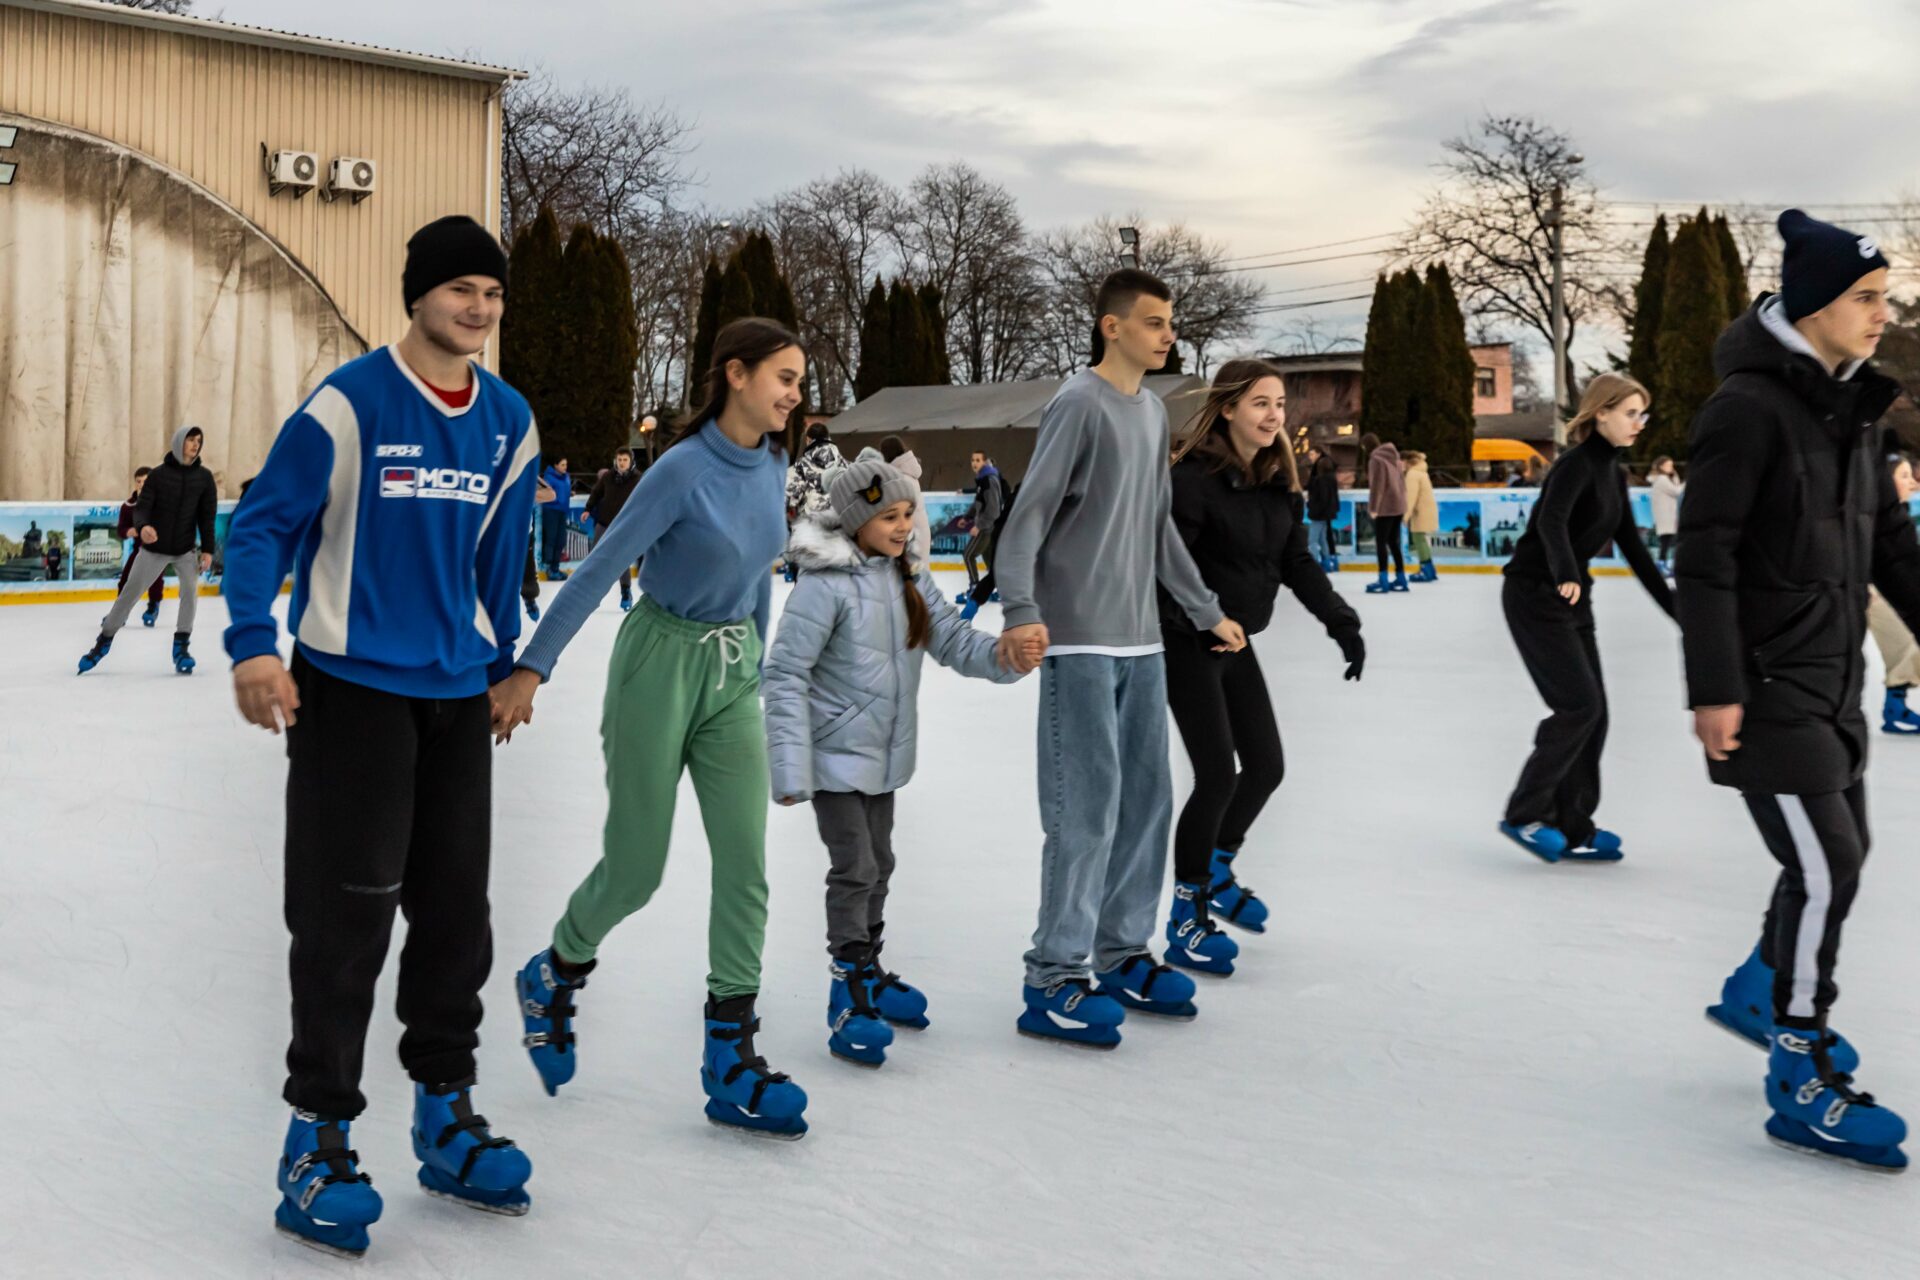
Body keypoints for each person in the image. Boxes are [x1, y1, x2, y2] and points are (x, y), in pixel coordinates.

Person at [221, 215, 541, 1256]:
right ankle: (316, 1140)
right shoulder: (349, 402)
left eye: (491, 292)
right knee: (345, 917)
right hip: (349, 691)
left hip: (456, 698)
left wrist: (507, 662)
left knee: (454, 915)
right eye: (459, 289)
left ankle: (445, 1117)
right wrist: (251, 642)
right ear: (417, 297)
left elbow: (501, 556)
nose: (478, 308)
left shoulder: (508, 419)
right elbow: (261, 524)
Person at [491, 318, 809, 1139]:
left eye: (798, 380)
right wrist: (531, 669)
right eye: (783, 377)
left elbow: (758, 573)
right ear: (735, 374)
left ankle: (730, 1057)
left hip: (732, 674)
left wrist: (757, 665)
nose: (794, 393)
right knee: (637, 869)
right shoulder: (681, 469)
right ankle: (555, 972)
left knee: (746, 865)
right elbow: (598, 568)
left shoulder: (774, 463)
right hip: (657, 668)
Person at [1690, 212, 1920, 1172]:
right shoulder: (1746, 409)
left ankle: (1761, 988)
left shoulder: (1856, 412)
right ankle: (1798, 1066)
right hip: (1766, 684)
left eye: (1884, 297)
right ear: (1816, 303)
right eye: (1866, 298)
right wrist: (1715, 688)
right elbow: (1705, 557)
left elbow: (1892, 551)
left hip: (1833, 678)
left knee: (1836, 856)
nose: (1882, 313)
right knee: (1829, 868)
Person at [993, 268, 1246, 1048]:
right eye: (1155, 322)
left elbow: (1158, 527)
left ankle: (1123, 953)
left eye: (1170, 322)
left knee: (1147, 803)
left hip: (1142, 640)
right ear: (1113, 327)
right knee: (1086, 810)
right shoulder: (1079, 403)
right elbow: (1029, 514)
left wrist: (1204, 609)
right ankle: (1053, 977)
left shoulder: (1151, 413)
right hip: (1078, 640)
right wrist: (1020, 609)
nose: (1169, 334)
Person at [764, 460, 1023, 1067]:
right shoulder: (823, 585)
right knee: (855, 867)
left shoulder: (909, 576)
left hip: (883, 757)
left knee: (879, 864)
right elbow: (785, 674)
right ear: (858, 521)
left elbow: (953, 639)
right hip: (832, 758)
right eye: (890, 516)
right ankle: (847, 989)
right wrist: (790, 766)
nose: (905, 526)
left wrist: (1004, 657)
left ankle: (869, 971)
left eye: (909, 513)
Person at [1162, 361, 1363, 973]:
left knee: (1266, 767)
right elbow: (1165, 567)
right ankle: (1186, 915)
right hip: (1186, 643)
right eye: (1260, 403)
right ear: (1227, 409)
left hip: (1238, 642)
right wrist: (1204, 619)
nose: (1274, 415)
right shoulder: (1191, 481)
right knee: (1216, 777)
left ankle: (1217, 869)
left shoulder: (1278, 485)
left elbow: (1296, 563)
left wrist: (1341, 622)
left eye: (1279, 404)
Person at [1496, 373, 1673, 864]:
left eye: (1642, 414)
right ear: (1601, 413)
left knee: (1596, 714)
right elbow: (1550, 520)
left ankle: (1572, 824)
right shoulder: (1574, 465)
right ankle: (1525, 814)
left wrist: (1679, 612)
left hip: (1573, 600)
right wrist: (1566, 572)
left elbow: (1634, 548)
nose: (1639, 423)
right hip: (1535, 595)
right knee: (1577, 706)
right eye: (1630, 413)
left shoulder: (1613, 472)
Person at [78, 426, 218, 675]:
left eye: (199, 440)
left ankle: (181, 648)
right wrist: (143, 527)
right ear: (178, 442)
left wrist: (207, 549)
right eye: (190, 440)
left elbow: (207, 517)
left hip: (185, 549)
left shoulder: (204, 478)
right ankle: (103, 641)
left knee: (190, 592)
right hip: (154, 548)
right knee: (129, 594)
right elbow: (142, 508)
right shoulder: (158, 476)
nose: (195, 444)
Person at [1869, 454, 1920, 735]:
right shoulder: (1873, 517)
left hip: (1897, 589)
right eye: (1903, 476)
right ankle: (1895, 706)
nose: (1913, 482)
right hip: (1877, 593)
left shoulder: (1905, 512)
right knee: (1905, 645)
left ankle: (1895, 705)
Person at [583, 446, 643, 611]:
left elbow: (645, 498)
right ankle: (591, 593)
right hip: (604, 522)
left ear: (631, 461)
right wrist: (588, 509)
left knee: (621, 559)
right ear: (615, 461)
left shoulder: (638, 478)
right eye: (619, 460)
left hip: (624, 524)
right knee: (595, 556)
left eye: (625, 460)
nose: (622, 463)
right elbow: (596, 493)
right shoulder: (608, 476)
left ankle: (626, 591)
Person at [113, 466, 165, 627]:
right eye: (139, 481)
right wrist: (131, 531)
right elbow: (121, 530)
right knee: (125, 580)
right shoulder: (128, 506)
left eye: (146, 481)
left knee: (155, 579)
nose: (142, 484)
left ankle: (153, 607)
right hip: (139, 550)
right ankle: (119, 613)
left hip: (158, 549)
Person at [1359, 432, 1408, 593]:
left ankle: (1383, 580)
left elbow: (1377, 486)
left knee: (1381, 543)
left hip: (1385, 507)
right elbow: (1402, 483)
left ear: (1366, 446)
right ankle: (1401, 578)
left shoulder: (1376, 459)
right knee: (1393, 542)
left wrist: (1373, 508)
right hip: (1398, 505)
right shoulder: (1395, 457)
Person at [878, 434, 931, 573]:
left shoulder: (900, 479)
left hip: (910, 535)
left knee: (911, 576)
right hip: (917, 532)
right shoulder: (907, 474)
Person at [962, 450, 1004, 598]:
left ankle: (975, 587)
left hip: (987, 527)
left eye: (978, 460)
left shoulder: (989, 480)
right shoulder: (983, 479)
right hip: (989, 525)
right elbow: (978, 502)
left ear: (985, 462)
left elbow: (993, 509)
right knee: (989, 559)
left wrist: (979, 526)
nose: (974, 463)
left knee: (968, 555)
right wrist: (967, 517)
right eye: (972, 460)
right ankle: (999, 589)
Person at [787, 422, 844, 521]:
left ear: (808, 440)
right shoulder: (846, 465)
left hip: (811, 524)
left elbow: (788, 499)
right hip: (841, 523)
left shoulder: (800, 467)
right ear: (828, 438)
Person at [1403, 449, 1439, 583]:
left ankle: (1425, 571)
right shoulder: (1421, 472)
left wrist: (1405, 515)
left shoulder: (1412, 474)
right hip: (1425, 510)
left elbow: (1411, 497)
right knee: (1421, 539)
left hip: (1420, 512)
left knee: (1419, 540)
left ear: (1407, 462)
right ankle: (1430, 570)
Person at [1305, 450, 1341, 574]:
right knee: (1323, 539)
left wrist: (1310, 505)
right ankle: (1327, 561)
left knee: (1312, 541)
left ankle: (1316, 564)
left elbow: (1320, 498)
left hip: (1318, 514)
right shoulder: (1332, 479)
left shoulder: (1319, 481)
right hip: (1327, 514)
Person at [538, 455, 572, 580]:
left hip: (562, 511)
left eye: (566, 464)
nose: (565, 467)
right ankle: (549, 568)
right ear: (556, 465)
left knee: (560, 540)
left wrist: (569, 494)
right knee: (551, 539)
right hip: (551, 510)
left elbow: (564, 491)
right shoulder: (548, 478)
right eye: (562, 465)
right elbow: (544, 493)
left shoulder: (566, 477)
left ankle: (555, 567)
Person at [1650, 455, 1684, 576]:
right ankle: (1661, 565)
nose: (1671, 467)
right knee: (1667, 542)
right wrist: (1687, 483)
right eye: (1668, 465)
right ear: (1661, 467)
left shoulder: (1664, 479)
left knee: (1668, 542)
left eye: (1672, 465)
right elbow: (1676, 491)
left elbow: (1675, 486)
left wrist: (1674, 475)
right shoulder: (1662, 479)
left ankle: (1663, 564)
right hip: (1665, 516)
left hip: (1667, 516)